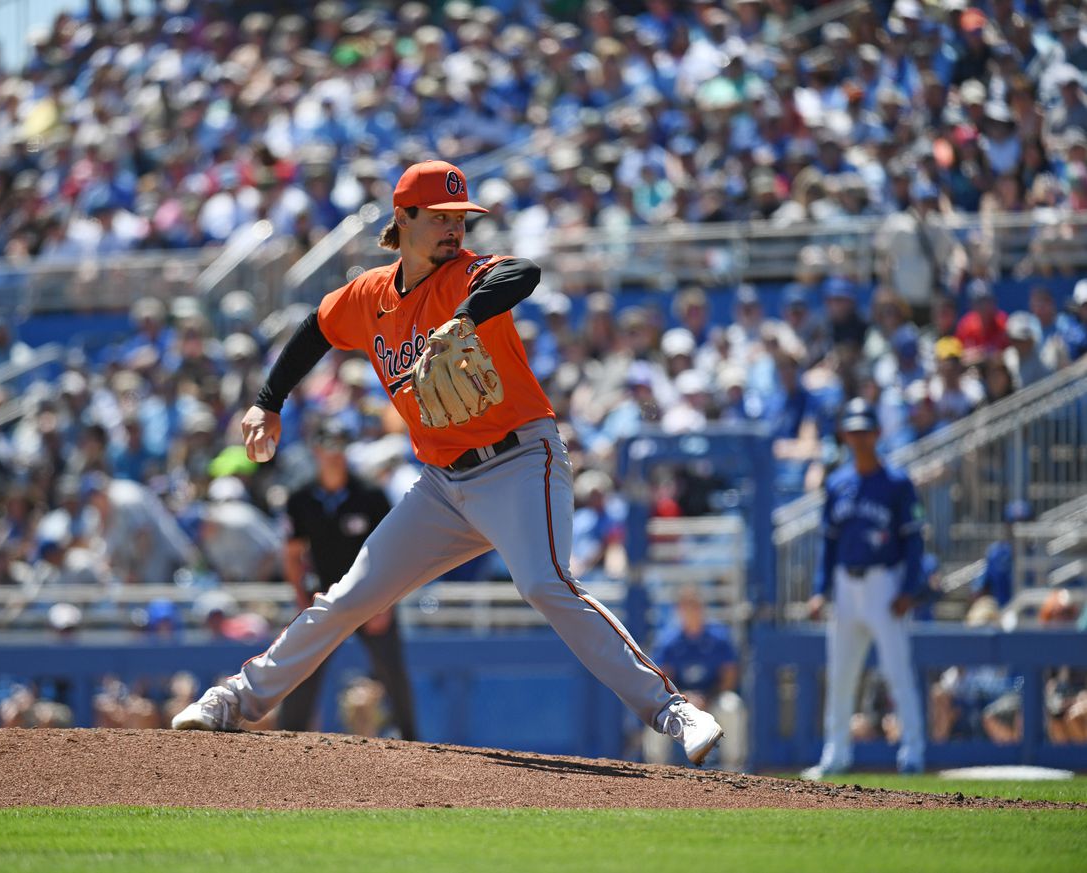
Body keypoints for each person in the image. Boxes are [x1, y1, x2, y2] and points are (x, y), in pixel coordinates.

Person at [174, 160, 723, 766]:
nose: (454, 230)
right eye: (439, 218)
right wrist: (267, 403)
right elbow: (315, 328)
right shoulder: (369, 296)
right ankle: (234, 700)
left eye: (460, 218)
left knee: (544, 582)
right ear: (402, 218)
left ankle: (674, 710)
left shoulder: (465, 277)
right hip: (442, 484)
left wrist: (463, 318)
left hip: (519, 460)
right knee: (350, 595)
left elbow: (523, 271)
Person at [803, 398, 926, 779]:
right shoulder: (838, 483)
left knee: (897, 672)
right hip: (845, 585)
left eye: (864, 431)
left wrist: (908, 588)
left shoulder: (897, 483)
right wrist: (820, 589)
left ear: (877, 433)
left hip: (883, 584)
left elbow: (914, 540)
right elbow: (828, 544)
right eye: (852, 432)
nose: (858, 439)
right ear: (844, 435)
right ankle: (835, 754)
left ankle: (913, 752)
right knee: (841, 675)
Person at [277, 418, 418, 740]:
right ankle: (286, 739)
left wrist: (387, 603)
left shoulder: (369, 494)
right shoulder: (301, 498)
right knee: (301, 668)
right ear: (316, 449)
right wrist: (301, 600)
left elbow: (394, 552)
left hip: (370, 594)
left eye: (341, 445)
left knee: (392, 671)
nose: (335, 454)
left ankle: (411, 741)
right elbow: (292, 554)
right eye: (328, 445)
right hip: (325, 594)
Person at [643, 587, 747, 771]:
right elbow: (662, 680)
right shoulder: (669, 640)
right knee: (655, 710)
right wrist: (685, 698)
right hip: (679, 700)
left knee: (732, 706)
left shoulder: (718, 637)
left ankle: (733, 769)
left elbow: (729, 678)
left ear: (703, 609)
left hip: (713, 697)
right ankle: (656, 769)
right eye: (687, 607)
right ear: (679, 610)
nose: (692, 611)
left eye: (696, 606)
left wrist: (707, 697)